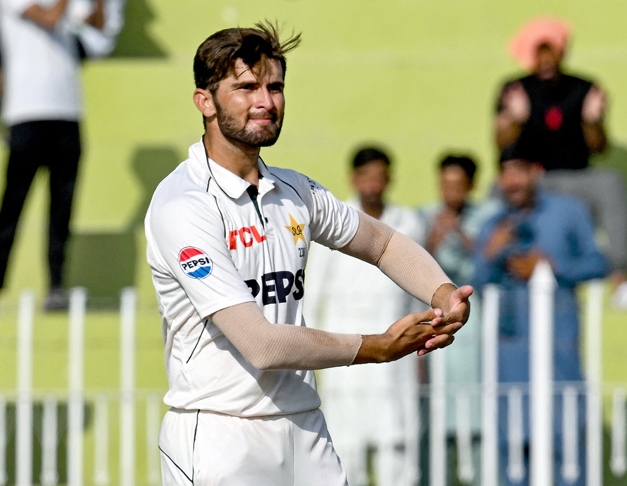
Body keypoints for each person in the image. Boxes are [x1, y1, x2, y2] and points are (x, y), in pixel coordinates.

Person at [144, 22, 473, 486]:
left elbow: (382, 243)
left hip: (304, 427)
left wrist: (443, 295)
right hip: (221, 433)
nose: (265, 101)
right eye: (246, 87)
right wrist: (376, 348)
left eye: (274, 86)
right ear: (204, 101)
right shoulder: (183, 205)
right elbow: (261, 344)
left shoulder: (295, 190)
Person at [472, 149, 608, 486]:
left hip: (559, 349)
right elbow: (472, 287)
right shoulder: (493, 224)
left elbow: (598, 263)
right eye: (505, 172)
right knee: (514, 448)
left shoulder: (569, 212)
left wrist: (550, 268)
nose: (512, 181)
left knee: (566, 445)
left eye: (519, 171)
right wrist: (491, 253)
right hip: (509, 355)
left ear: (536, 172)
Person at [304, 147, 425, 486]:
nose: (373, 184)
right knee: (347, 449)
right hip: (348, 354)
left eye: (380, 176)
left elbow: (417, 289)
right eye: (366, 176)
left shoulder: (408, 222)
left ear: (389, 178)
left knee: (397, 448)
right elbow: (313, 296)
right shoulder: (335, 220)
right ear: (354, 179)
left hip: (397, 349)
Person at [494, 17, 627, 307]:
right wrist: (515, 120)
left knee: (612, 182)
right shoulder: (514, 89)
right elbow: (501, 146)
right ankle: (485, 276)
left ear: (561, 52)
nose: (545, 59)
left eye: (551, 51)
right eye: (539, 51)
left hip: (577, 180)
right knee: (494, 193)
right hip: (533, 181)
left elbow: (599, 147)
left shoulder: (583, 88)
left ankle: (621, 280)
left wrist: (592, 120)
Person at [0, 0, 104, 311]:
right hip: (26, 112)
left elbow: (97, 25)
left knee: (62, 208)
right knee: (13, 204)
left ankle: (55, 286)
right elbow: (50, 19)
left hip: (68, 112)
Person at [419, 154, 495, 485]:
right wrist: (432, 243)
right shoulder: (424, 217)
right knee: (437, 419)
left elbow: (488, 265)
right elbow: (414, 267)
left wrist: (462, 236)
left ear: (471, 186)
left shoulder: (487, 217)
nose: (450, 191)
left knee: (478, 415)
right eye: (445, 183)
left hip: (476, 331)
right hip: (439, 324)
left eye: (458, 184)